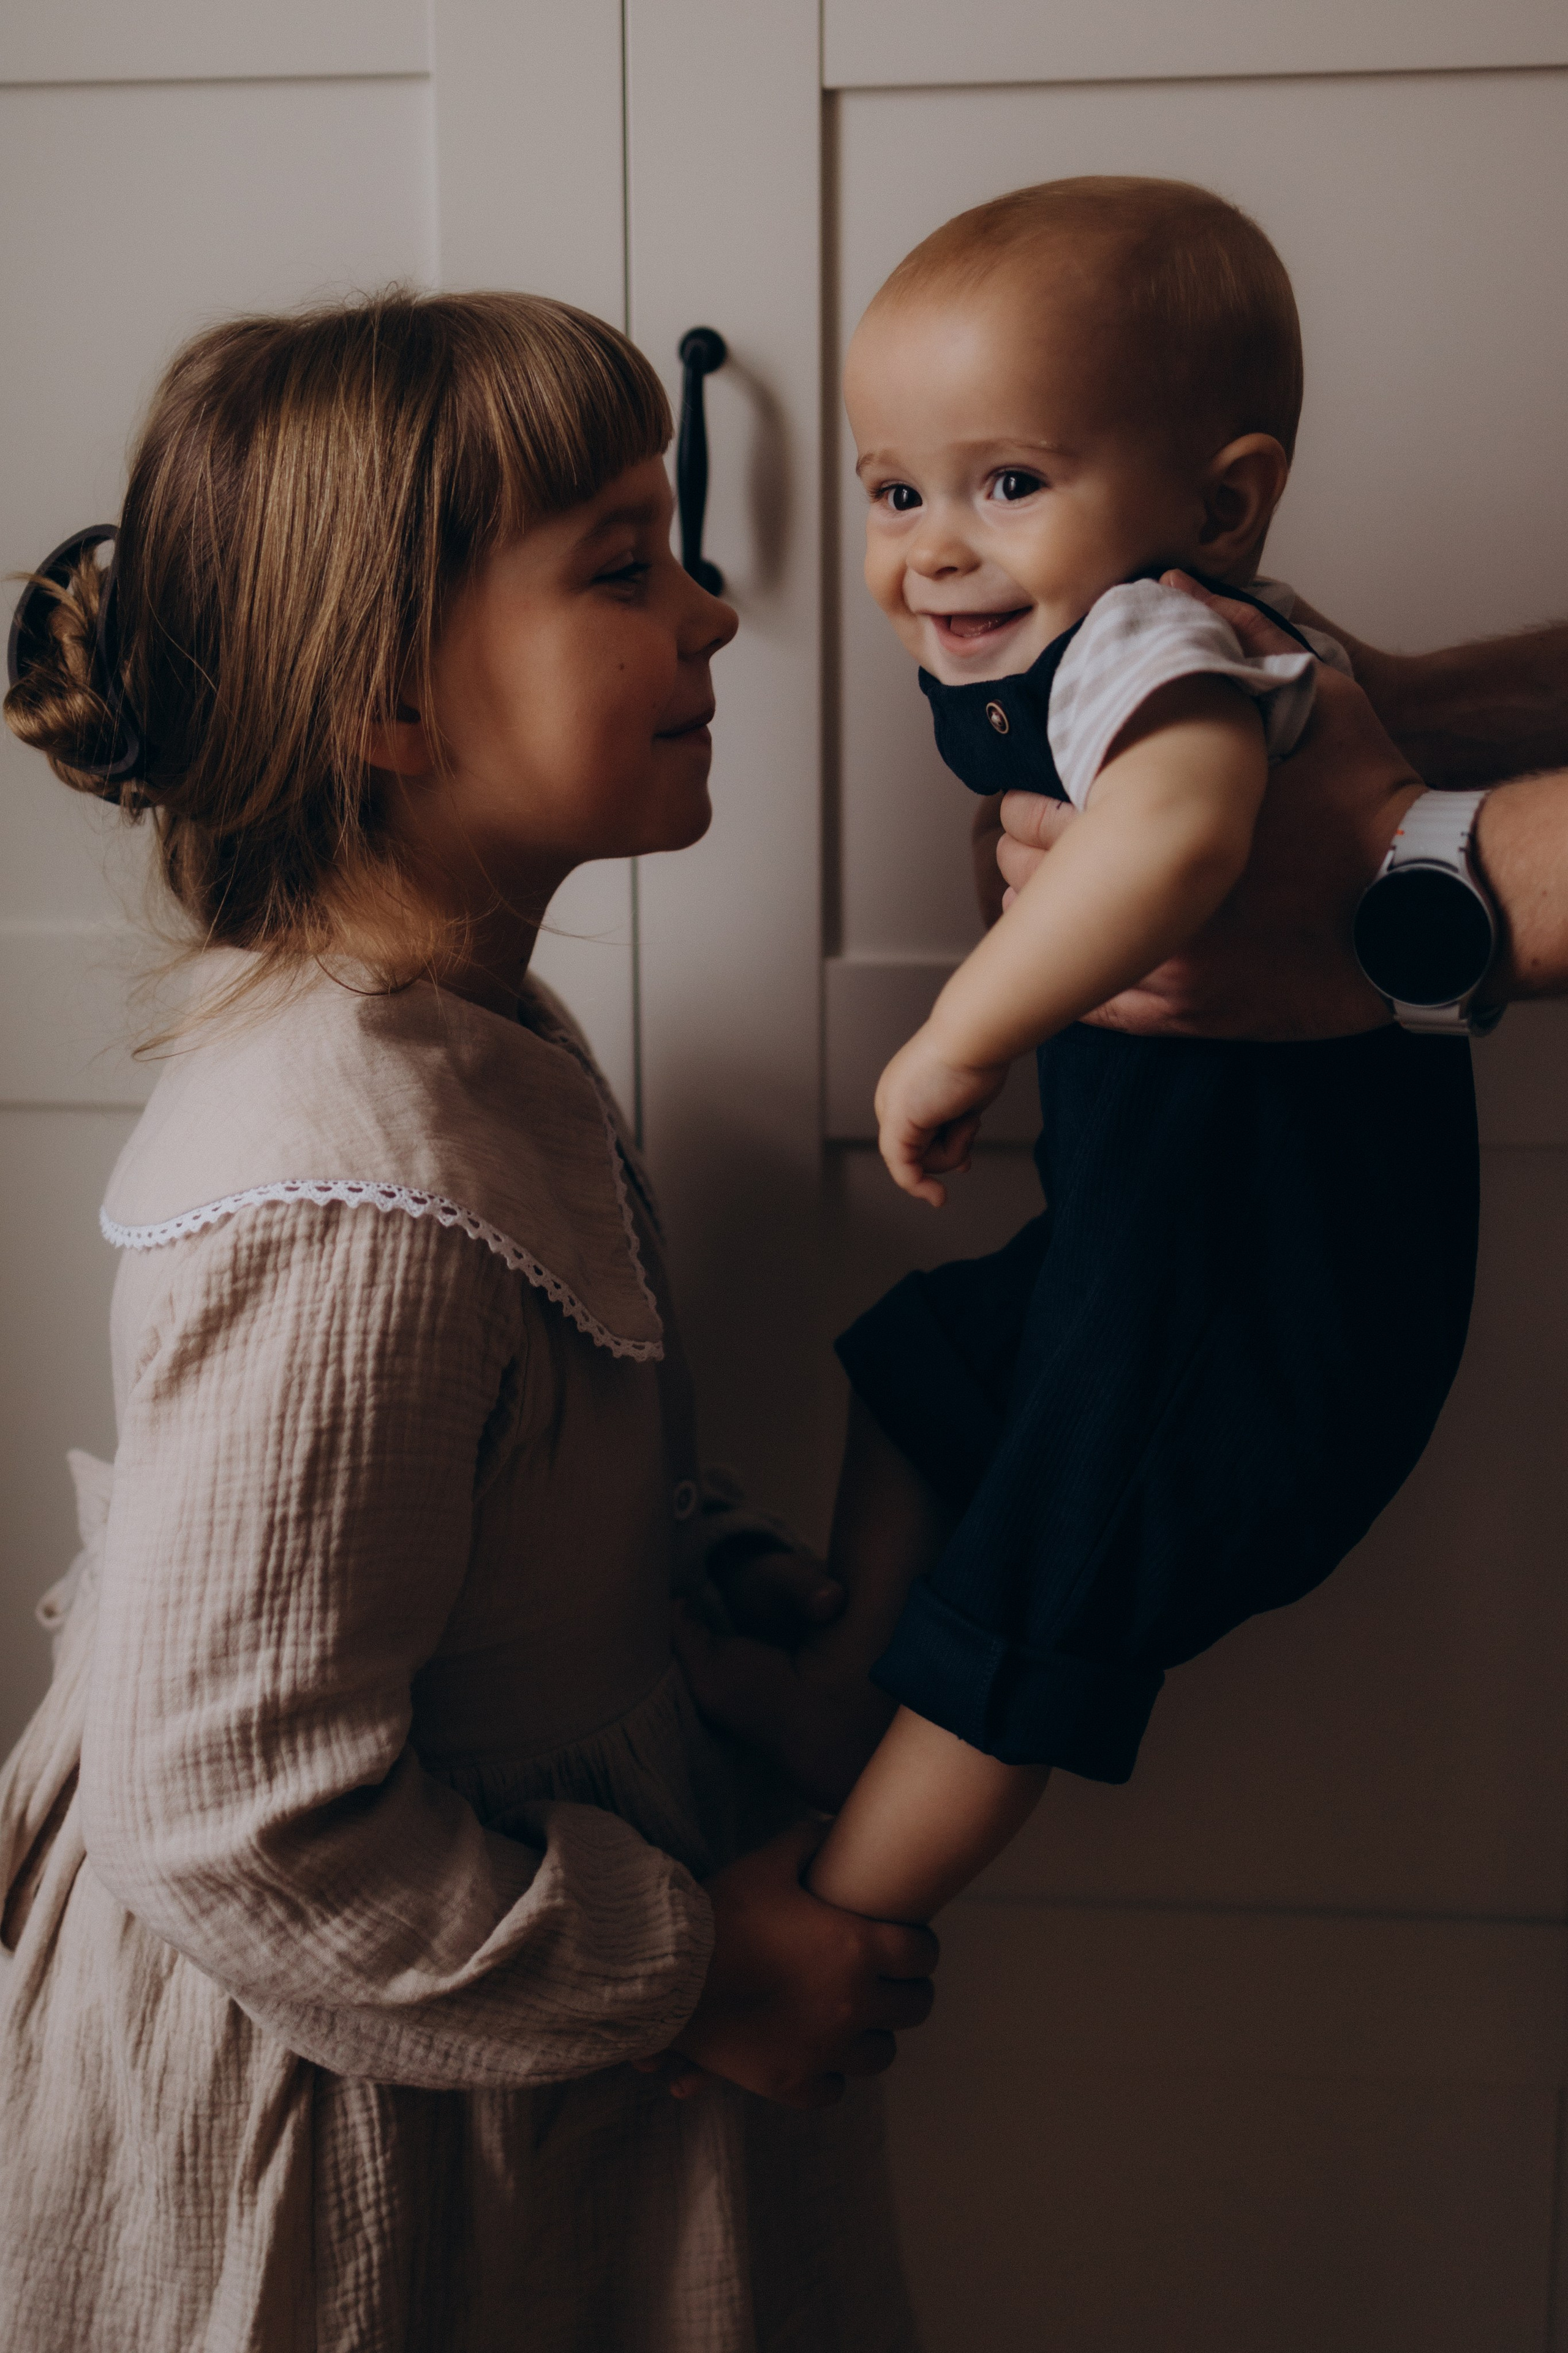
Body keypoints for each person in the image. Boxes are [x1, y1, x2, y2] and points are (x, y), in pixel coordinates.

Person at [0, 290, 936, 2353]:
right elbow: (239, 1803)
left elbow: (509, 1463)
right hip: (377, 2062)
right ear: (386, 704)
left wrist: (703, 1569)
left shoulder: (487, 1038)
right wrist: (706, 1975)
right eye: (625, 566)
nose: (711, 615)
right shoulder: (355, 1205)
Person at [682, 176, 1481, 1931]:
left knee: (1045, 1586)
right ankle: (840, 1696)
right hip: (1161, 1235)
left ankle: (836, 1914)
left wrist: (961, 1030)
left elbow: (1184, 837)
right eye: (897, 488)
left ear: (1221, 500)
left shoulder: (1150, 636)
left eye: (1010, 481)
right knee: (940, 1369)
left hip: (1253, 1272)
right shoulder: (1161, 623)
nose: (933, 546)